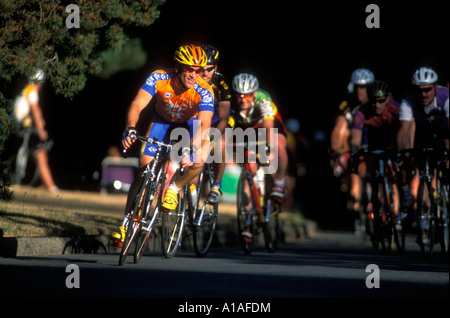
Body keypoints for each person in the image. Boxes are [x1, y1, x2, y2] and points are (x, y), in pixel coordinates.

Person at [111, 45, 214, 247]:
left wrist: (191, 148)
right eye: (189, 69)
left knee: (201, 156)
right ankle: (126, 223)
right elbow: (137, 104)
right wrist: (131, 128)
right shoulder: (159, 78)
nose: (194, 75)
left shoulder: (204, 90)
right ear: (178, 67)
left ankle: (174, 189)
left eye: (199, 70)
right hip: (162, 121)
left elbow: (204, 125)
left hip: (190, 125)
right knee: (143, 170)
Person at [396, 66, 449, 241]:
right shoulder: (409, 100)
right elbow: (404, 132)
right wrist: (402, 155)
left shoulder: (446, 97)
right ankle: (425, 223)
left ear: (435, 87)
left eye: (427, 89)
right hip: (423, 137)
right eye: (420, 90)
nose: (424, 94)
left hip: (443, 133)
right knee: (423, 175)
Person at [350, 80, 401, 228]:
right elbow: (355, 140)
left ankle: (396, 209)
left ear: (387, 99)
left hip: (392, 137)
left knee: (393, 172)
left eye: (381, 101)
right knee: (371, 169)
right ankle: (374, 201)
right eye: (373, 101)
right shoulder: (361, 111)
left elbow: (404, 130)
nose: (377, 105)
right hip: (374, 140)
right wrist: (356, 152)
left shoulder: (396, 108)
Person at [230, 73, 288, 200]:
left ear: (254, 94)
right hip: (248, 127)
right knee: (249, 167)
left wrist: (270, 147)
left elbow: (268, 127)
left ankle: (279, 181)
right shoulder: (229, 101)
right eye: (239, 95)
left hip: (267, 123)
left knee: (278, 145)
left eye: (247, 95)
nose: (243, 99)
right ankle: (250, 212)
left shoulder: (263, 99)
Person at [329, 68, 374, 211]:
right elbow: (338, 128)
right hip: (354, 146)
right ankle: (355, 205)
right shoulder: (347, 104)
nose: (360, 90)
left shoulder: (379, 100)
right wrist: (335, 151)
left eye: (364, 87)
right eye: (357, 87)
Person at [12, 69, 58, 192]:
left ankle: (49, 185)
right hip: (23, 126)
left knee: (35, 151)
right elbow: (36, 111)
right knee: (40, 151)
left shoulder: (25, 90)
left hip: (17, 124)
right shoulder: (31, 91)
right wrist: (41, 130)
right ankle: (50, 186)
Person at [198, 44, 232, 203]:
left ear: (215, 67)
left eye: (209, 69)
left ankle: (216, 185)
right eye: (201, 68)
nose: (204, 73)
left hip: (218, 120)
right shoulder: (191, 78)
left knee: (221, 145)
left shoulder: (221, 82)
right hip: (199, 119)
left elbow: (224, 119)